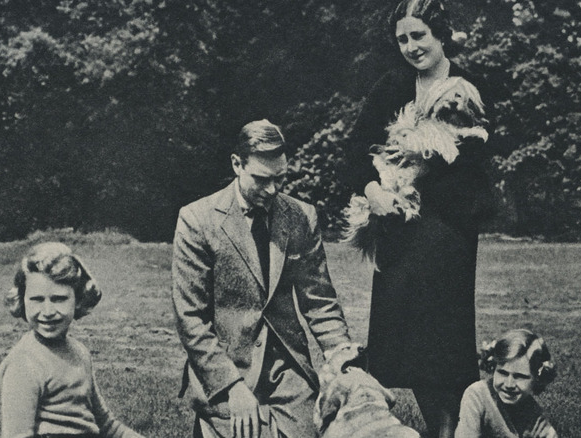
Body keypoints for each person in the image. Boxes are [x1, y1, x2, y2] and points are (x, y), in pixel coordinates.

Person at [343, 1, 495, 436]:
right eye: (402, 39)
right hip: (398, 231)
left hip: (448, 231)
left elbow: (480, 161)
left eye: (419, 36)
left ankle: (455, 430)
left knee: (443, 351)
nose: (411, 47)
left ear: (441, 33)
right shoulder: (392, 87)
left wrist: (430, 162)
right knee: (406, 349)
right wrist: (372, 190)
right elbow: (354, 152)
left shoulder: (468, 87)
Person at [172, 119, 354, 438]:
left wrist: (343, 358)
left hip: (288, 371)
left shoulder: (301, 217)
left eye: (279, 179)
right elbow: (192, 321)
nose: (272, 190)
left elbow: (321, 304)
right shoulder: (197, 220)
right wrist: (232, 387)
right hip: (225, 366)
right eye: (261, 179)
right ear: (236, 164)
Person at [0, 242, 145, 438]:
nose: (48, 312)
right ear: (22, 300)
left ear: (78, 299)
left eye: (59, 299)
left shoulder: (79, 353)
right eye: (37, 299)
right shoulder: (24, 363)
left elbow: (106, 424)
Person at [455, 329, 558, 438]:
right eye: (503, 373)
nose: (509, 384)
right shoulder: (477, 395)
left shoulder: (533, 415)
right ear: (494, 368)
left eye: (520, 376)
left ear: (536, 379)